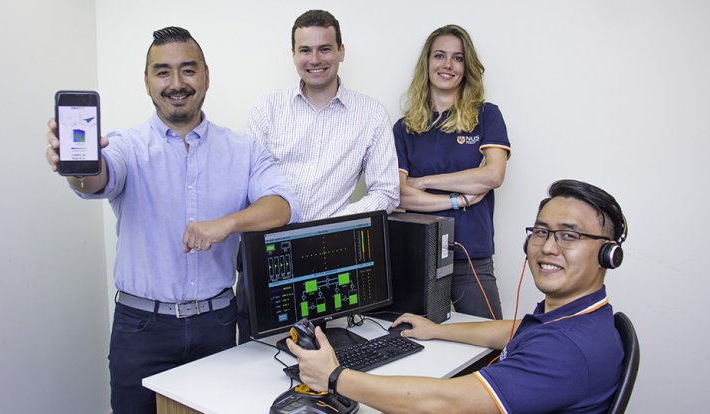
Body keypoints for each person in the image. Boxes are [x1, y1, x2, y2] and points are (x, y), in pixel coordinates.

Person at [44, 27, 299, 414]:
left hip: (215, 324)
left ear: (206, 75)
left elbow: (282, 206)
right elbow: (97, 180)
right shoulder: (125, 146)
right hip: (141, 330)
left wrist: (226, 223)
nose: (176, 84)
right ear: (147, 81)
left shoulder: (243, 149)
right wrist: (78, 167)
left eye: (188, 70)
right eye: (163, 72)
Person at [289, 179, 627, 413]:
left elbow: (442, 405)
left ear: (607, 254)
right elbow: (521, 328)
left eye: (569, 235)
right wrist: (436, 330)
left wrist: (335, 377)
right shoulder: (578, 318)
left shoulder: (566, 349)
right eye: (541, 232)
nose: (548, 247)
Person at [237, 9, 400, 342]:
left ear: (341, 51)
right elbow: (246, 183)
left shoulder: (370, 115)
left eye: (324, 49)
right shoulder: (267, 109)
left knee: (323, 362)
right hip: (268, 256)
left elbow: (387, 191)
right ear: (293, 54)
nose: (315, 59)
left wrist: (333, 227)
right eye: (305, 50)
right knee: (252, 361)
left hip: (330, 260)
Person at [394, 24, 510, 319]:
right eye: (439, 56)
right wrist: (459, 199)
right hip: (420, 259)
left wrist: (425, 181)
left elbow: (493, 175)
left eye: (457, 58)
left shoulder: (486, 116)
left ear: (466, 66)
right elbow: (400, 195)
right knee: (418, 345)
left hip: (472, 258)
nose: (447, 65)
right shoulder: (404, 128)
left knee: (490, 347)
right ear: (427, 63)